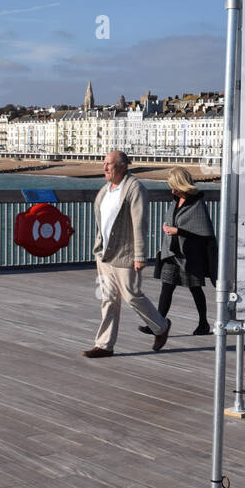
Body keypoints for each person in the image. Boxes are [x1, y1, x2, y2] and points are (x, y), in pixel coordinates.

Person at [83, 151, 170, 358]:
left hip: (126, 254)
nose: (104, 168)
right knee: (108, 299)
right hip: (104, 254)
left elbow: (140, 224)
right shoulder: (105, 190)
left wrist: (140, 256)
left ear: (122, 166)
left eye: (109, 164)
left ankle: (161, 326)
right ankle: (104, 345)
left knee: (132, 296)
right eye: (104, 163)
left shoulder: (134, 188)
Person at [141, 167, 218, 335]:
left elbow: (203, 232)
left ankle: (203, 323)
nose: (172, 189)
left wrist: (178, 231)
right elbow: (175, 221)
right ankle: (158, 324)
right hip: (172, 253)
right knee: (166, 288)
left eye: (174, 186)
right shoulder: (176, 200)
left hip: (190, 255)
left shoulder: (197, 203)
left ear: (182, 184)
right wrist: (168, 228)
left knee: (195, 288)